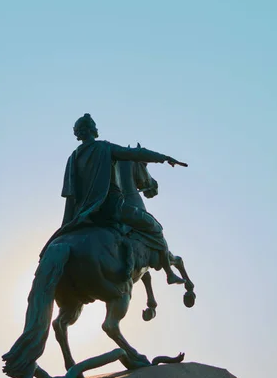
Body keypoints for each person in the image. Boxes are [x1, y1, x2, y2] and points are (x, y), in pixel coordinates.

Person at [42, 114, 188, 284]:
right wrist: (164, 158)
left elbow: (70, 194)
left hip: (83, 215)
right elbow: (135, 154)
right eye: (94, 126)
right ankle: (169, 273)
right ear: (91, 130)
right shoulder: (104, 148)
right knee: (155, 227)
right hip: (111, 209)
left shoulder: (72, 159)